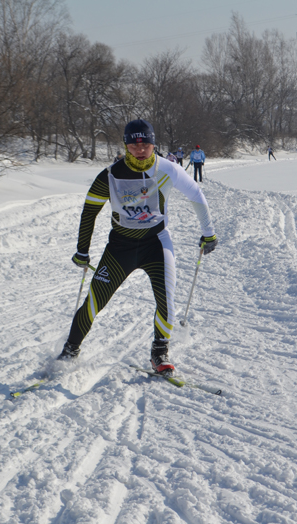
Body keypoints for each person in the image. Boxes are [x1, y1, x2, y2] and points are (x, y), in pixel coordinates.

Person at [56, 119, 217, 376]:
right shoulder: (110, 175)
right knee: (94, 302)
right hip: (121, 247)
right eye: (133, 144)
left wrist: (209, 234)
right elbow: (89, 211)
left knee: (166, 299)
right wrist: (82, 250)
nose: (140, 150)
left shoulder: (167, 169)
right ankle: (70, 351)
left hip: (157, 243)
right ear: (126, 145)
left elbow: (196, 194)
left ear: (154, 144)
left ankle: (159, 353)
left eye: (145, 144)